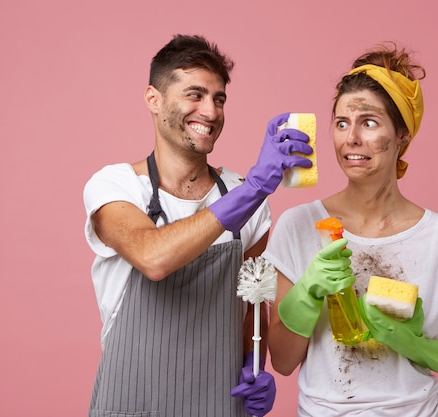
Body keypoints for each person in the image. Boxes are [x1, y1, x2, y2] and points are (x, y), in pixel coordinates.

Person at [83, 34, 313, 417]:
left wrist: (255, 367)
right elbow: (153, 256)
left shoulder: (246, 198)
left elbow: (253, 303)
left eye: (219, 98)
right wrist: (255, 187)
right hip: (130, 401)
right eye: (195, 94)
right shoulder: (116, 185)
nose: (210, 111)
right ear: (153, 100)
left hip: (219, 403)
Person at [263, 42, 438, 416]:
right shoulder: (298, 225)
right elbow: (283, 362)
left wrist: (412, 342)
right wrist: (308, 293)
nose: (351, 138)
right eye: (341, 123)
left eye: (369, 122)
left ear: (401, 137)